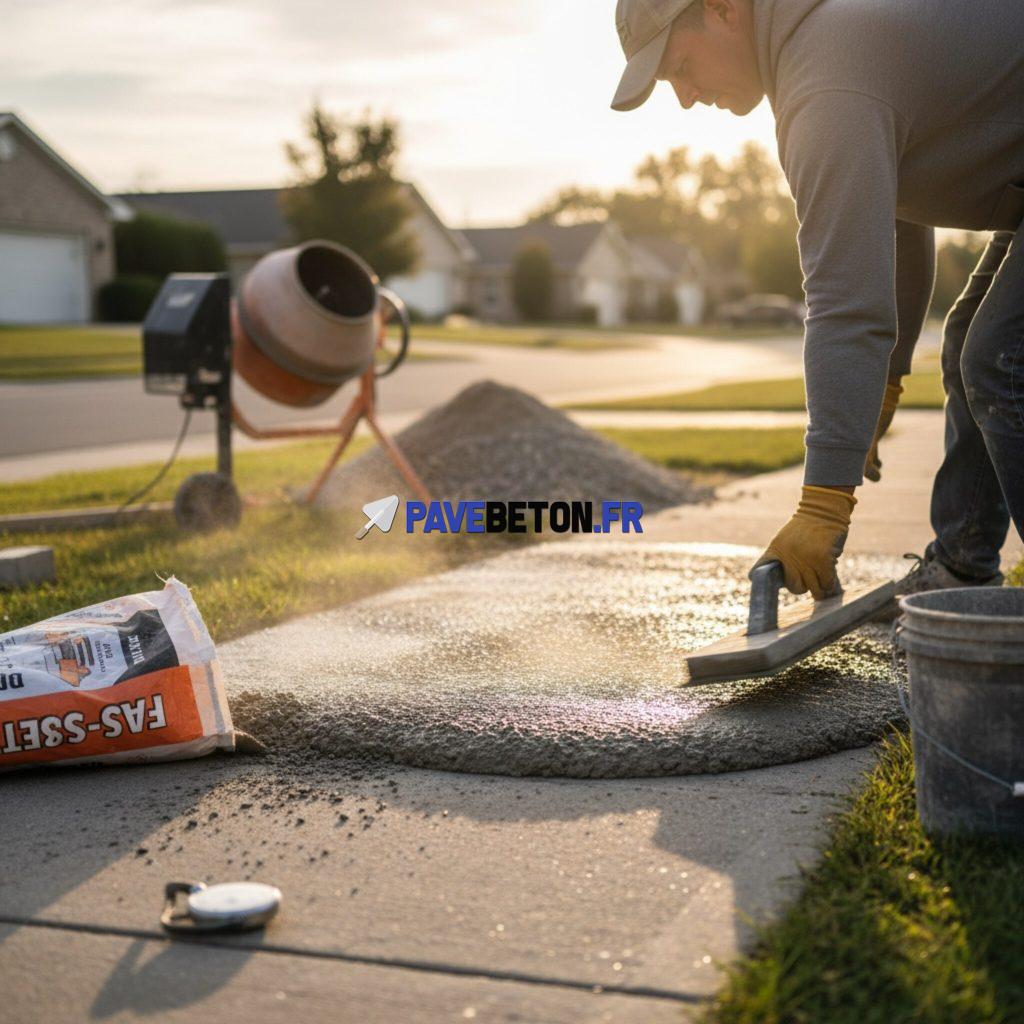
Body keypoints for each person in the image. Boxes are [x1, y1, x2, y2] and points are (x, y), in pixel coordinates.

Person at [611, 0, 1024, 600]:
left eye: (679, 66)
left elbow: (844, 302)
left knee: (999, 359)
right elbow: (895, 228)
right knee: (970, 343)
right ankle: (963, 565)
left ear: (724, 9)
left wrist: (824, 503)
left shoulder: (825, 79)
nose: (685, 96)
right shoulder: (835, 42)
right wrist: (884, 379)